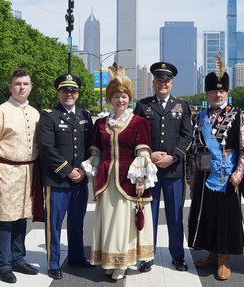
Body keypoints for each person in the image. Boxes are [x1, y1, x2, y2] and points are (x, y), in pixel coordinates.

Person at [83, 64, 157, 281]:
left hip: (128, 180)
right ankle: (109, 260)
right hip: (107, 180)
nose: (120, 100)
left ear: (129, 98)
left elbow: (142, 152)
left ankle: (122, 263)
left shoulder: (138, 122)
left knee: (124, 223)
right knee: (108, 221)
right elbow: (96, 152)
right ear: (110, 99)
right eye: (116, 96)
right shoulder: (100, 124)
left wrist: (142, 179)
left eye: (124, 96)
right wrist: (92, 172)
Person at [187, 56, 244, 281]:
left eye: (222, 91)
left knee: (225, 218)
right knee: (205, 215)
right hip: (203, 175)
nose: (218, 95)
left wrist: (238, 172)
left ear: (227, 92)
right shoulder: (200, 117)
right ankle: (211, 253)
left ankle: (224, 259)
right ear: (207, 93)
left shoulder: (239, 115)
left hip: (227, 176)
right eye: (213, 92)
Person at [134, 62, 193, 272]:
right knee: (148, 215)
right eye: (159, 80)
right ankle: (147, 255)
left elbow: (187, 136)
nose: (163, 83)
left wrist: (174, 157)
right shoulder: (143, 105)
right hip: (149, 171)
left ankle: (177, 255)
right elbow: (136, 134)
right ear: (153, 82)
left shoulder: (182, 106)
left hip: (173, 170)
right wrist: (148, 154)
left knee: (175, 216)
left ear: (172, 83)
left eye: (167, 80)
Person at [0, 69, 40, 284]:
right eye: (17, 83)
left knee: (22, 218)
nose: (22, 87)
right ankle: (3, 265)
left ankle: (18, 258)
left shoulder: (35, 113)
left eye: (25, 83)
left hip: (29, 173)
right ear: (10, 87)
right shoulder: (0, 112)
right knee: (5, 220)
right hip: (6, 172)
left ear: (31, 87)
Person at [38, 74, 94, 280]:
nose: (69, 94)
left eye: (73, 91)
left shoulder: (85, 115)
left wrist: (83, 169)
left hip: (80, 179)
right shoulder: (49, 115)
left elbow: (90, 146)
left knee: (77, 220)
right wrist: (68, 170)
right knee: (54, 223)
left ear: (78, 94)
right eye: (65, 90)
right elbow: (46, 148)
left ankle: (77, 256)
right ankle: (53, 262)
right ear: (58, 93)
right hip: (58, 180)